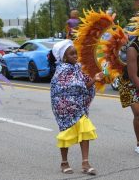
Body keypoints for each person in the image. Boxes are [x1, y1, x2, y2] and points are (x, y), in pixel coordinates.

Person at [50, 39, 104, 175]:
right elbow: (76, 87)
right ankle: (64, 162)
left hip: (78, 107)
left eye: (76, 53)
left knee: (85, 129)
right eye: (71, 54)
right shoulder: (62, 71)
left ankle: (85, 163)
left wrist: (95, 78)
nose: (75, 56)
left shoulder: (76, 68)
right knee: (66, 133)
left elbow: (83, 84)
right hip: (65, 109)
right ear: (63, 57)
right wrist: (93, 80)